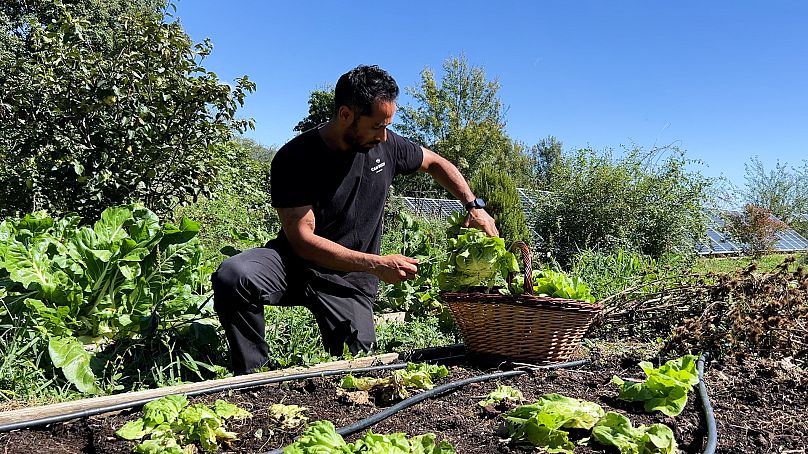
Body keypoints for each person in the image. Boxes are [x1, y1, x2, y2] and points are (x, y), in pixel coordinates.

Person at [212, 65, 498, 375]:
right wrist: (377, 264)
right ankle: (253, 376)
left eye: (387, 124)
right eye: (376, 125)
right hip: (293, 264)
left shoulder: (387, 145)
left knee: (358, 367)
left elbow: (437, 163)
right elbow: (303, 241)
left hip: (350, 279)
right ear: (346, 114)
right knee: (234, 275)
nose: (384, 134)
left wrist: (474, 205)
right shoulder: (295, 158)